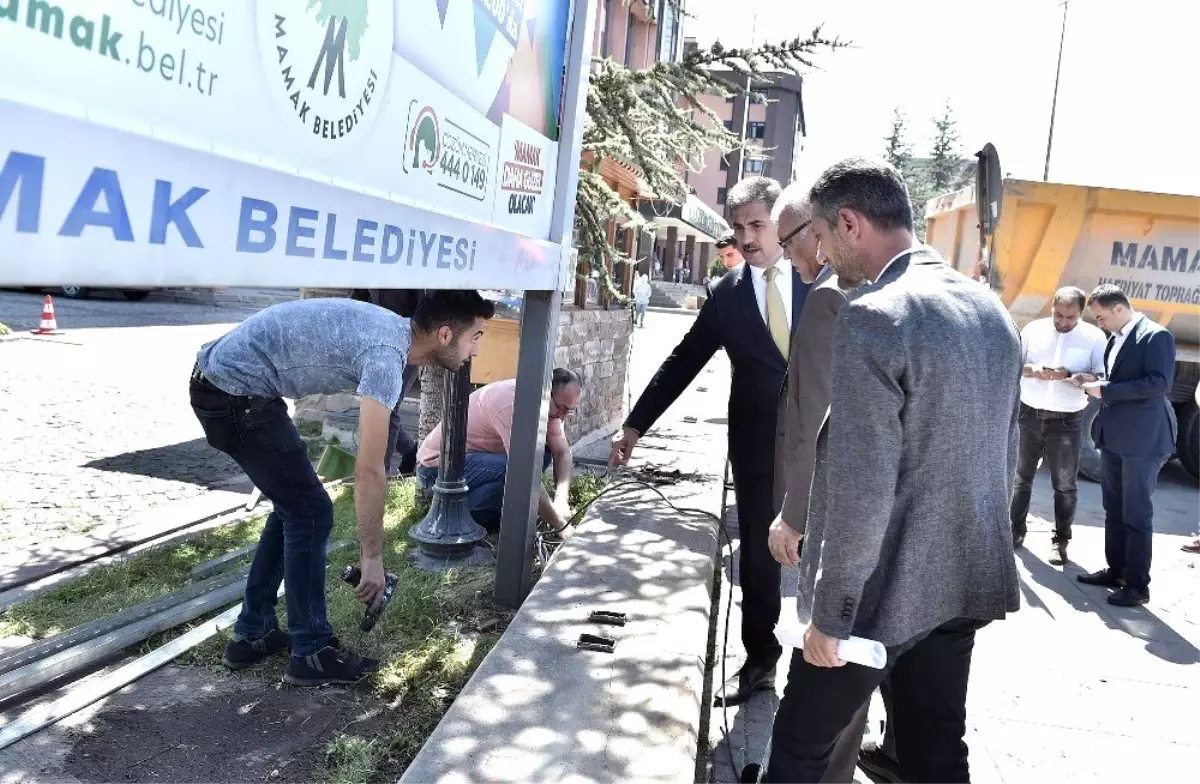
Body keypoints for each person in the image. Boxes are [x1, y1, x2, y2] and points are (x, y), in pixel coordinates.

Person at [764, 157, 1021, 784]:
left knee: (799, 747)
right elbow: (1004, 456)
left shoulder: (876, 315)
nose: (820, 258)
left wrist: (831, 613)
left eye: (820, 239)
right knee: (935, 750)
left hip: (880, 593)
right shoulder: (991, 311)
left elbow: (861, 482)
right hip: (962, 579)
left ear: (849, 223)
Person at [190, 291, 495, 686]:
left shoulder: (399, 342)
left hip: (236, 387)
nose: (477, 349)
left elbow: (380, 445)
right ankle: (311, 652)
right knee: (310, 511)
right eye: (476, 336)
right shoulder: (387, 353)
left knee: (297, 506)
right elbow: (368, 468)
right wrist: (373, 559)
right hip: (230, 392)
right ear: (443, 335)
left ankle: (253, 634)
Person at [610, 176, 810, 707]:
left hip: (825, 445)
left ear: (782, 221)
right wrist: (635, 425)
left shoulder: (823, 278)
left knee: (831, 553)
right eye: (738, 228)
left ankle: (830, 668)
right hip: (757, 446)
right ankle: (760, 662)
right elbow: (683, 360)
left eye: (757, 225)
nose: (747, 239)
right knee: (761, 557)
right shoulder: (727, 294)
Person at [763, 182, 868, 784]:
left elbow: (823, 420)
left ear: (818, 233)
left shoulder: (832, 298)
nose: (791, 257)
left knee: (826, 660)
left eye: (790, 242)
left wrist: (795, 512)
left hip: (828, 508)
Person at [1077, 284, 1176, 607]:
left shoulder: (1156, 336)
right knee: (1114, 509)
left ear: (1119, 309)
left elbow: (1159, 383)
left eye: (1102, 317)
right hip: (1115, 437)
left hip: (1142, 441)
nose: (1100, 324)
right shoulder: (1116, 337)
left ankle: (1137, 585)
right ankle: (1116, 570)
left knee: (1136, 514)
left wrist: (1105, 392)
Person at [416, 369, 582, 532]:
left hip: (473, 461)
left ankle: (472, 510)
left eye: (569, 410)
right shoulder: (511, 404)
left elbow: (562, 452)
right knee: (519, 469)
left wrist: (561, 499)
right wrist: (561, 526)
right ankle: (461, 513)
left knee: (541, 455)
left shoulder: (549, 408)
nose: (562, 416)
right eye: (561, 409)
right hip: (437, 468)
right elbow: (525, 472)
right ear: (546, 392)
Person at [1011, 286, 1107, 565]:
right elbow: (1015, 365)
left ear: (1081, 313)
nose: (1063, 322)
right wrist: (1033, 371)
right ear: (1051, 307)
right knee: (1020, 478)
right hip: (1029, 413)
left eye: (1070, 317)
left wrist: (1070, 375)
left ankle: (1060, 541)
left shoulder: (1094, 337)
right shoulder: (1034, 330)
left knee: (1064, 485)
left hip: (1067, 419)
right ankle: (1015, 530)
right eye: (1058, 315)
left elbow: (1100, 377)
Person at [351, 288, 425, 475]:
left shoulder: (413, 269)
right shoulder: (374, 265)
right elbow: (359, 297)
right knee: (378, 405)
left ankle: (378, 472)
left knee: (388, 408)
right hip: (376, 342)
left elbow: (425, 309)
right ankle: (409, 450)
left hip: (408, 343)